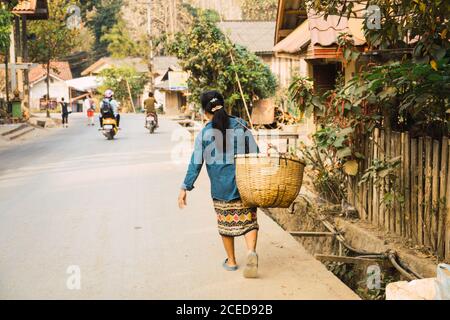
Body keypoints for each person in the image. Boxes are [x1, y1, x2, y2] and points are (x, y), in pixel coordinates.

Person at [178, 90, 260, 278]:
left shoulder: (204, 134)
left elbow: (195, 163)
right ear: (223, 104)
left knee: (226, 225)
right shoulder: (241, 125)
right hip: (244, 185)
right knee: (249, 222)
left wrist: (185, 187)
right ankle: (250, 252)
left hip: (221, 189)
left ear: (205, 111)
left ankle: (231, 262)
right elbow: (256, 153)